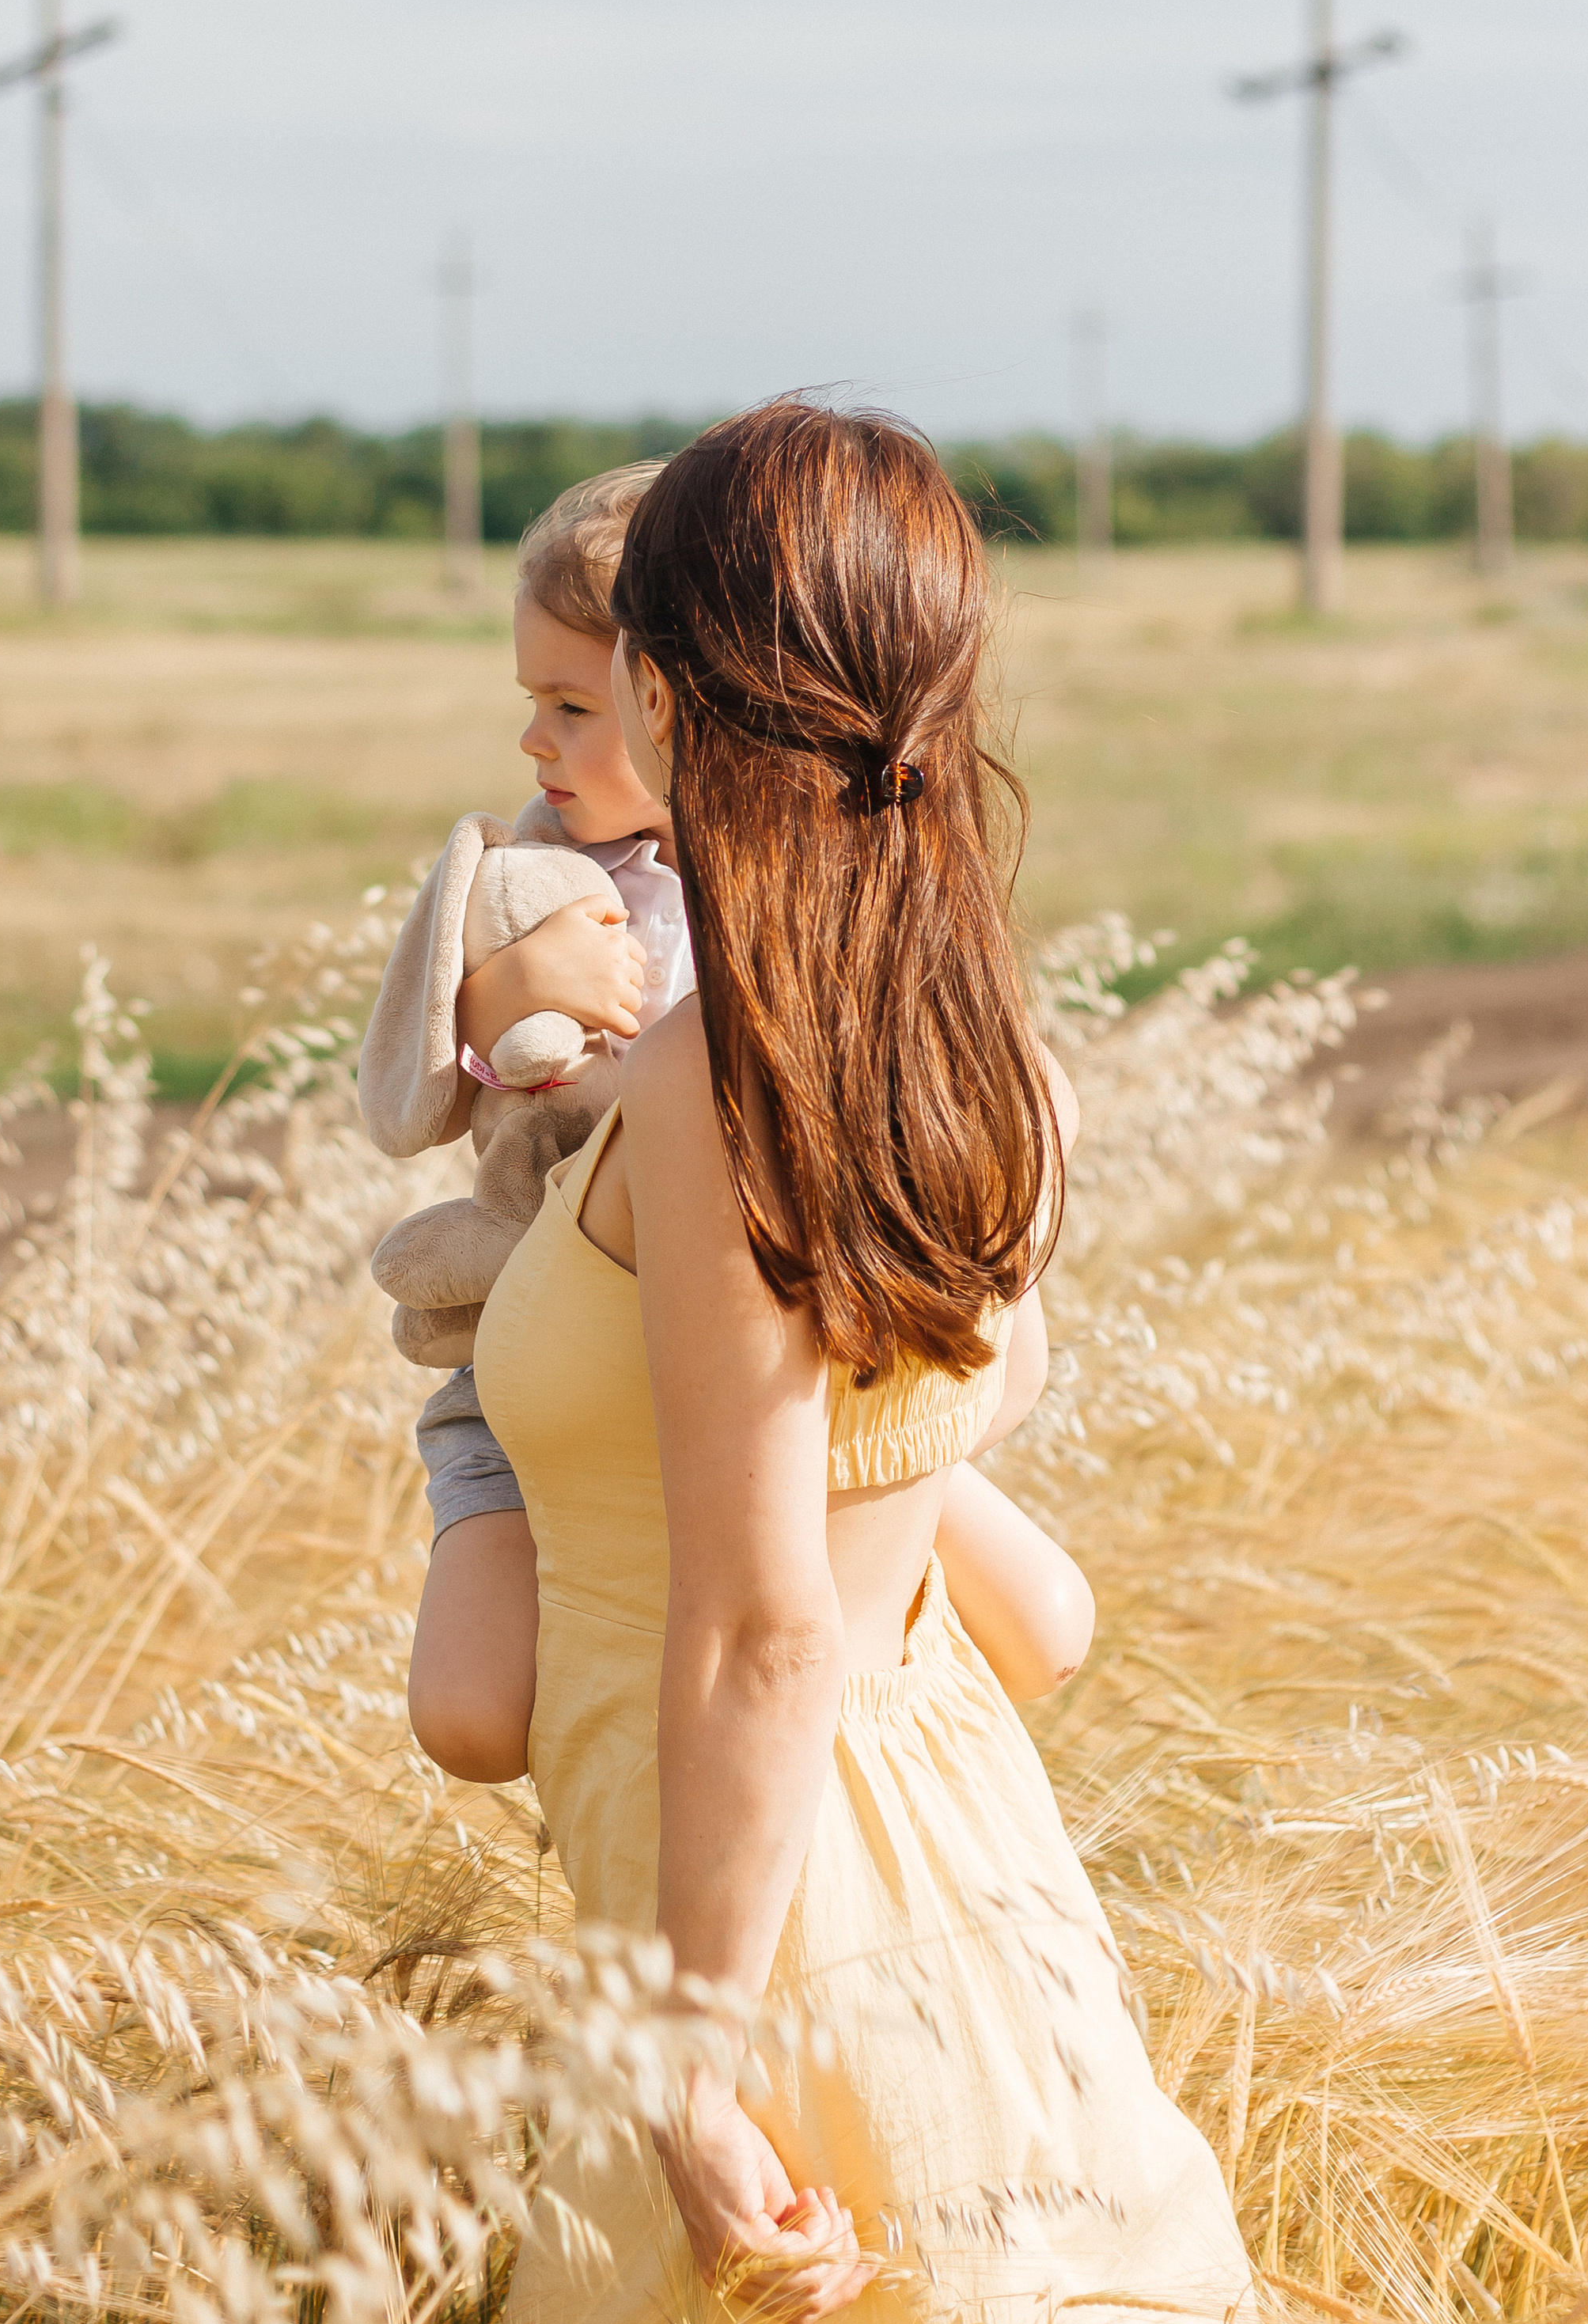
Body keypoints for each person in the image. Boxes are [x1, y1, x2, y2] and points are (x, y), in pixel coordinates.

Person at [470, 402, 1271, 2324]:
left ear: (666, 688)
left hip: (761, 1928)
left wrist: (685, 2068)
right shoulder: (981, 1051)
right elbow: (924, 1460)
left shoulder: (711, 1084)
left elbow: (760, 1633)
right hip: (960, 1852)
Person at [405, 471, 1096, 1784]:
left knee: (1047, 1627)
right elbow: (420, 1073)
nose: (535, 741)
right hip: (557, 1357)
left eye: (572, 706)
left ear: (679, 698)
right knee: (474, 1713)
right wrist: (505, 994)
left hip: (791, 1362)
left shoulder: (829, 886)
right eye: (529, 702)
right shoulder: (536, 878)